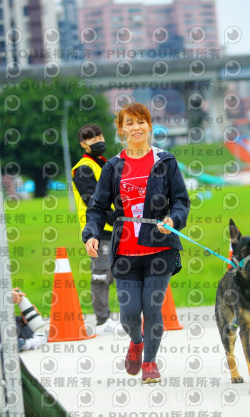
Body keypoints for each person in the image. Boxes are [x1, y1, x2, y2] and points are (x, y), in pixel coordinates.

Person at [83, 103, 190, 384]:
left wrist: (174, 219)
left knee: (152, 309)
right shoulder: (113, 167)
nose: (136, 127)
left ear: (149, 126)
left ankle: (150, 363)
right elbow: (97, 207)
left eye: (141, 121)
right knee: (129, 316)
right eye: (129, 123)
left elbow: (181, 201)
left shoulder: (165, 161)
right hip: (125, 252)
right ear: (121, 129)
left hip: (160, 248)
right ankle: (136, 342)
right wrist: (91, 233)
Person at [72, 124, 120, 335]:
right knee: (101, 274)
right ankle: (103, 321)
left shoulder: (105, 164)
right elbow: (91, 199)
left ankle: (127, 316)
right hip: (98, 231)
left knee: (122, 273)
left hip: (117, 228)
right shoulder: (84, 168)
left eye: (100, 136)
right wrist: (114, 215)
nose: (98, 140)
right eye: (92, 138)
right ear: (83, 144)